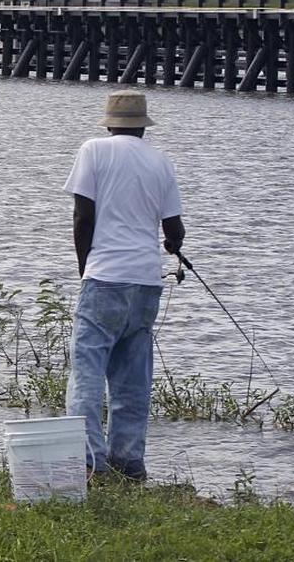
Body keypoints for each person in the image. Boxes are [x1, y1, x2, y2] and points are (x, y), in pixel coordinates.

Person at [62, 90, 185, 481]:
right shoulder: (160, 160)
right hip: (146, 283)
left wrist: (86, 268)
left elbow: (83, 217)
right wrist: (172, 245)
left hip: (105, 278)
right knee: (133, 380)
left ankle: (90, 463)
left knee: (87, 373)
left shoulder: (93, 150)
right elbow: (174, 230)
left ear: (110, 123)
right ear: (143, 128)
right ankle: (129, 463)